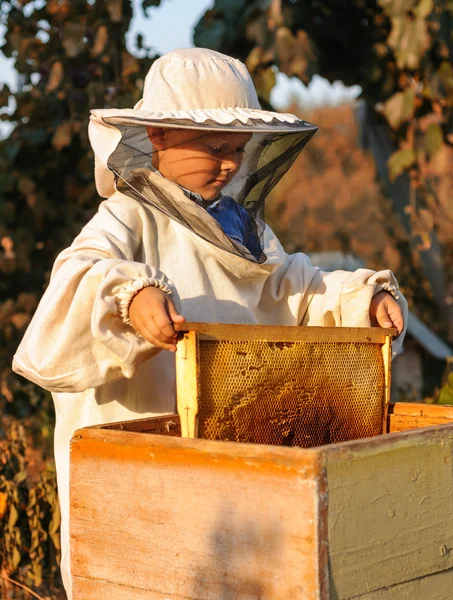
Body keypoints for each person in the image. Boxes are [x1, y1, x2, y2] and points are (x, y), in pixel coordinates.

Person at [12, 48, 407, 598]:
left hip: (228, 474)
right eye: (216, 148)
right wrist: (131, 296)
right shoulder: (130, 215)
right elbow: (77, 280)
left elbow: (297, 289)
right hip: (141, 479)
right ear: (158, 138)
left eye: (238, 151)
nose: (229, 164)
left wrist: (363, 299)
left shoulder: (243, 229)